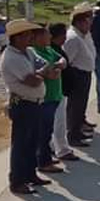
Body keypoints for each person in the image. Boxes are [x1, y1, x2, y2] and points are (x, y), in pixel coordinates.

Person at [3, 20, 53, 194]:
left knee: (32, 141)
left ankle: (30, 174)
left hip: (35, 102)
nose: (31, 37)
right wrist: (43, 73)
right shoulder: (10, 57)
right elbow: (31, 81)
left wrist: (41, 73)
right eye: (26, 34)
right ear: (17, 38)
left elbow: (44, 65)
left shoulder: (28, 52)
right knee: (21, 144)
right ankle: (17, 181)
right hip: (23, 103)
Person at [32, 25, 69, 175]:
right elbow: (45, 70)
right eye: (47, 34)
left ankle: (45, 156)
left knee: (48, 130)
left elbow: (62, 60)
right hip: (45, 97)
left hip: (55, 95)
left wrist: (60, 64)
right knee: (44, 131)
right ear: (38, 37)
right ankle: (43, 162)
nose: (50, 37)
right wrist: (53, 68)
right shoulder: (34, 52)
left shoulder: (48, 50)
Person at [62, 4, 97, 149]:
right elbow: (67, 60)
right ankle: (73, 135)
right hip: (77, 74)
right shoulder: (73, 38)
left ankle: (78, 130)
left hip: (85, 73)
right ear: (79, 22)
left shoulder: (84, 35)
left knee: (81, 105)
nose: (90, 25)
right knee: (74, 107)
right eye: (87, 22)